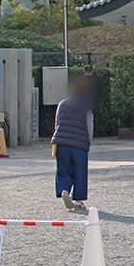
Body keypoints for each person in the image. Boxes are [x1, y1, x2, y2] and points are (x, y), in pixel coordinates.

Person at [51, 78, 95, 211]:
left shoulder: (62, 104)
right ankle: (79, 200)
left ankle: (64, 190)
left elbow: (57, 122)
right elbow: (89, 125)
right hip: (79, 144)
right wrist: (89, 141)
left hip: (61, 142)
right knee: (79, 172)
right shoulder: (86, 106)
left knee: (63, 169)